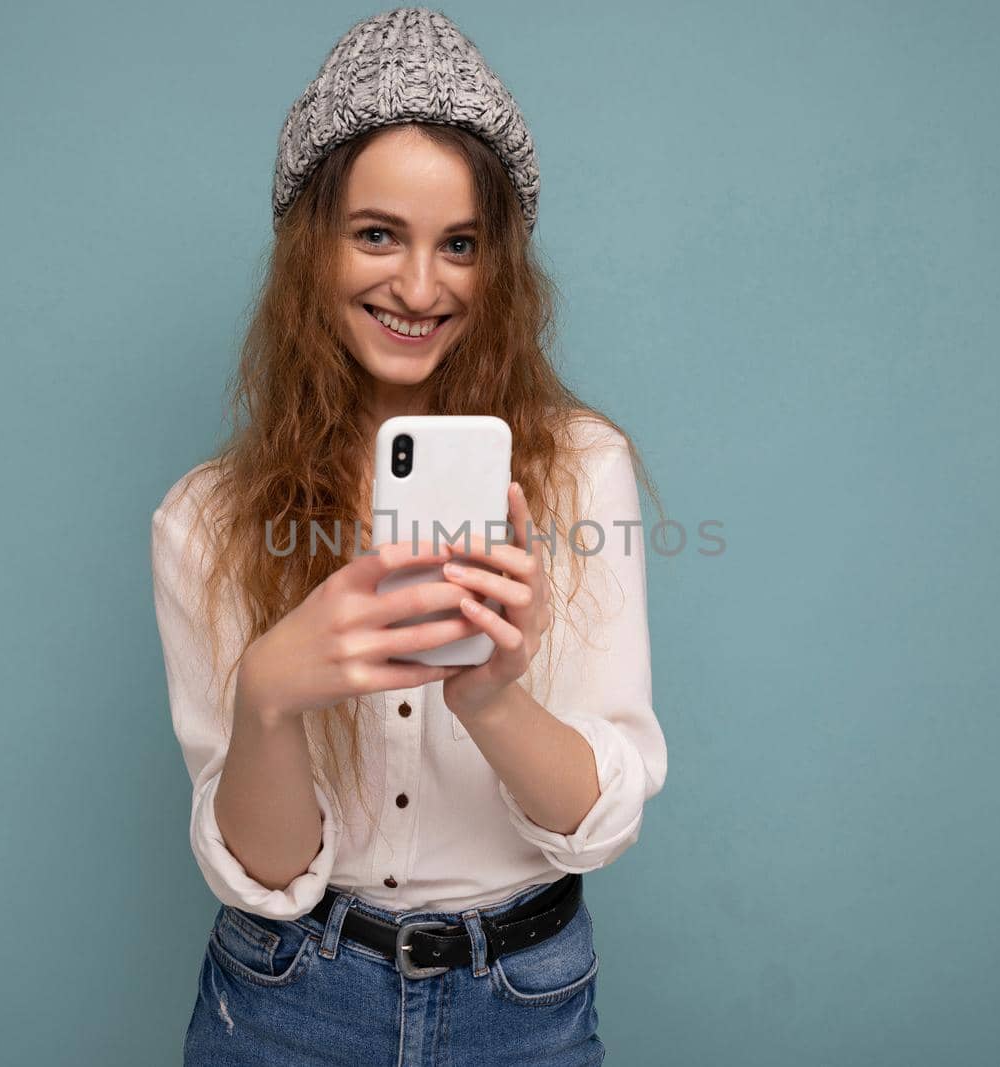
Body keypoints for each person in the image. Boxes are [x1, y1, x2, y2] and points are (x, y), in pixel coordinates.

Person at [149, 8, 668, 1064]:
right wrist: (269, 694)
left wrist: (489, 693)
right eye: (377, 232)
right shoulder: (202, 517)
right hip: (287, 996)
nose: (421, 288)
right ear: (312, 244)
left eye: (461, 244)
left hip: (521, 1002)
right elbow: (268, 870)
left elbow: (600, 825)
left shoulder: (582, 470)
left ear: (500, 267)